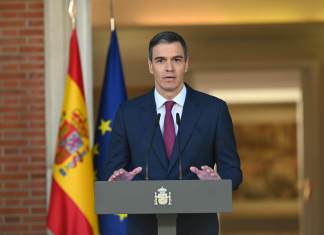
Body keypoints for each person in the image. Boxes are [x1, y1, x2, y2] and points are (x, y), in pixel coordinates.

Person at [104, 31, 242, 235]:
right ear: (150, 66)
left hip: (198, 227)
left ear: (186, 63)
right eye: (160, 60)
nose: (169, 68)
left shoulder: (214, 110)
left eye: (176, 59)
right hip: (144, 228)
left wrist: (219, 182)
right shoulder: (129, 113)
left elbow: (233, 171)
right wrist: (120, 182)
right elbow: (113, 170)